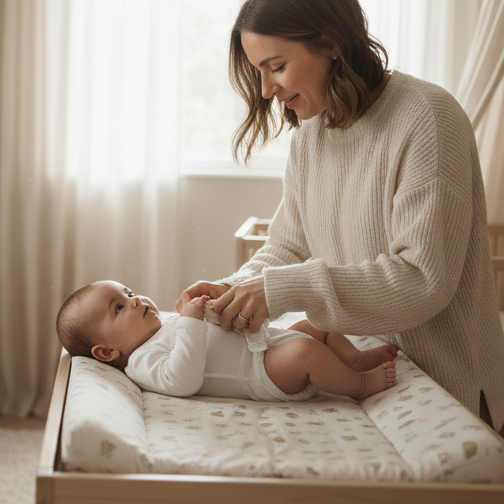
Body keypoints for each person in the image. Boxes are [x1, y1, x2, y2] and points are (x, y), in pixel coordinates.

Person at [176, 0, 504, 434]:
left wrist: (282, 290)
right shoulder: (311, 132)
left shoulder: (427, 118)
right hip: (364, 378)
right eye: (258, 71)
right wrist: (235, 291)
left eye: (275, 66)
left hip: (446, 386)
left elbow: (422, 280)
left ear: (331, 43)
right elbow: (288, 248)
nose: (265, 90)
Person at [56, 280, 397, 402]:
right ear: (106, 351)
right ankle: (360, 385)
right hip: (262, 372)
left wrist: (214, 309)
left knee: (317, 325)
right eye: (119, 307)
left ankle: (352, 361)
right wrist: (190, 322)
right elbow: (183, 380)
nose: (135, 300)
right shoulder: (141, 362)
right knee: (306, 352)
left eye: (128, 292)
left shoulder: (166, 326)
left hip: (266, 342)